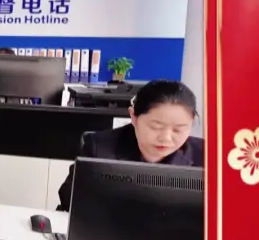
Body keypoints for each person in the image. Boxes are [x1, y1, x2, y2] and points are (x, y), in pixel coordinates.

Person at [56, 80, 203, 212]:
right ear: (134, 117)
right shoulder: (100, 147)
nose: (166, 138)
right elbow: (70, 198)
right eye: (156, 127)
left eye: (178, 129)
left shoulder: (206, 155)